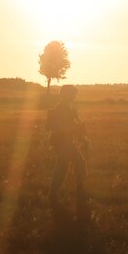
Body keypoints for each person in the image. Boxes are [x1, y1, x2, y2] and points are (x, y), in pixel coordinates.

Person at [46, 84, 88, 219]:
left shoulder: (69, 107)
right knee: (66, 166)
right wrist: (77, 130)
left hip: (66, 141)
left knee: (72, 164)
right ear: (66, 94)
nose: (74, 96)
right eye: (72, 94)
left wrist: (81, 134)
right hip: (62, 141)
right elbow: (64, 126)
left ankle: (75, 190)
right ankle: (57, 193)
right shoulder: (62, 108)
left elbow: (73, 124)